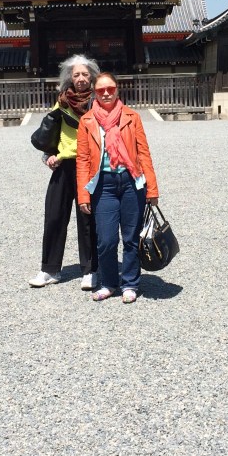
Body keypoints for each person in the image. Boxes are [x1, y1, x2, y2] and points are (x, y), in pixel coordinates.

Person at [77, 72, 159, 304]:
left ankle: (130, 283)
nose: (106, 93)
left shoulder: (132, 116)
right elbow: (82, 159)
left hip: (132, 182)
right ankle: (109, 282)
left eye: (110, 88)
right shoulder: (87, 121)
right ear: (94, 92)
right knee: (106, 239)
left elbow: (143, 152)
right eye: (101, 89)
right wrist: (84, 194)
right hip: (103, 184)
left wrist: (152, 189)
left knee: (132, 237)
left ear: (117, 90)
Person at [29, 55, 100, 290]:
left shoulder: (99, 100)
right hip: (63, 164)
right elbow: (50, 130)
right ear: (69, 77)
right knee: (54, 217)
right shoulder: (62, 101)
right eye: (76, 75)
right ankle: (49, 269)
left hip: (88, 165)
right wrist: (47, 155)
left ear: (92, 77)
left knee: (87, 219)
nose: (80, 79)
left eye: (85, 74)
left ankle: (90, 270)